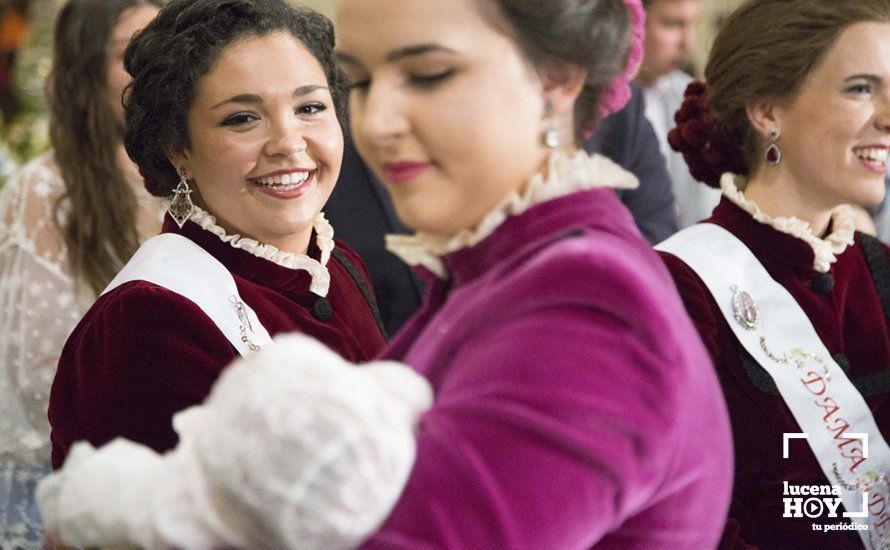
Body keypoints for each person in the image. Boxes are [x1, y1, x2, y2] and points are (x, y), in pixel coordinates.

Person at [38, 0, 733, 548]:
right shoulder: (488, 273)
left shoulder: (583, 303)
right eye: (362, 82)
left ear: (557, 83)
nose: (377, 122)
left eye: (428, 74)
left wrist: (113, 510)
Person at [47, 0, 387, 467]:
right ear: (177, 148)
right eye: (242, 118)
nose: (289, 143)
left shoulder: (337, 264)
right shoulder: (149, 319)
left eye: (309, 107)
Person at [658, 0, 890, 547]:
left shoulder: (879, 269)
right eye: (861, 88)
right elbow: (686, 520)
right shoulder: (678, 287)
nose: (887, 115)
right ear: (767, 112)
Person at [0, 0, 163, 545]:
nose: (152, 69)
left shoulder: (192, 179)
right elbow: (39, 380)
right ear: (85, 71)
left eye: (160, 50)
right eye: (130, 55)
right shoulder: (47, 191)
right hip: (58, 489)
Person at [635, 0, 720, 229]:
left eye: (693, 24)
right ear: (631, 18)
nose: (688, 42)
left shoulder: (692, 99)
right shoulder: (591, 105)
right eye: (672, 24)